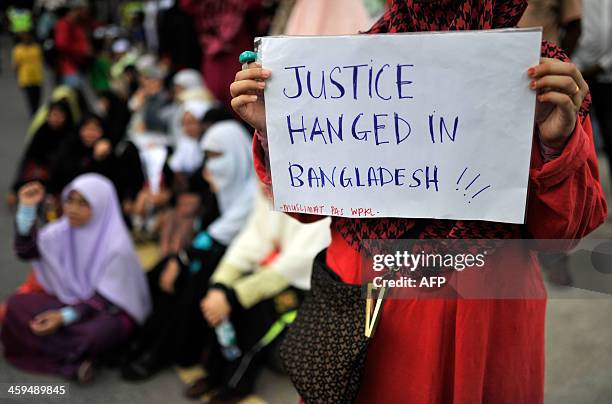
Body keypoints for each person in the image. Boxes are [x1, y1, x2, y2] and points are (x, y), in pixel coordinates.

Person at [229, 1, 608, 402]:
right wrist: (279, 132)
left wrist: (555, 144)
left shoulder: (536, 74)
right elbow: (306, 208)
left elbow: (565, 231)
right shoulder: (343, 68)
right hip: (361, 309)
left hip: (483, 315)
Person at [121, 119, 256, 381]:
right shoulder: (221, 186)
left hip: (240, 266)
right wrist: (180, 258)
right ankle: (142, 339)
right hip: (211, 253)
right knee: (162, 273)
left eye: (217, 155)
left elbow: (224, 236)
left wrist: (182, 259)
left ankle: (160, 351)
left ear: (238, 153)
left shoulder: (254, 193)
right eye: (207, 156)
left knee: (189, 283)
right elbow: (208, 233)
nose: (211, 164)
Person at [185, 186, 331, 401]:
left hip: (306, 286)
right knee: (220, 300)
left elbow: (295, 265)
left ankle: (237, 384)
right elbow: (251, 241)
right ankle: (215, 373)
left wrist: (232, 297)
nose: (263, 184)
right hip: (273, 273)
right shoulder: (268, 192)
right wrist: (220, 287)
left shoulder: (319, 200)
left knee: (257, 317)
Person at [1, 175, 151, 383]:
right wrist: (27, 208)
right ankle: (75, 362)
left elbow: (106, 299)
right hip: (70, 301)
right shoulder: (61, 231)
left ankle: (66, 357)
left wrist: (64, 317)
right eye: (69, 201)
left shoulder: (117, 247)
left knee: (93, 335)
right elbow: (26, 251)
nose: (72, 209)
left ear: (101, 206)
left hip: (107, 311)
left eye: (83, 203)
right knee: (16, 305)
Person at [48, 113, 144, 214]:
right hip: (74, 206)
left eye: (94, 130)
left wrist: (129, 197)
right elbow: (70, 177)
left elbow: (119, 179)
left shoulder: (111, 151)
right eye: (86, 129)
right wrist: (93, 159)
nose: (90, 134)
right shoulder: (70, 148)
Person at [574, 0, 612, 181]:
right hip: (575, 73)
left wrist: (602, 66)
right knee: (577, 146)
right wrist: (573, 66)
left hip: (606, 77)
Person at [9, 101, 73, 204]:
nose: (55, 119)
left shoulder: (71, 136)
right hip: (40, 180)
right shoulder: (41, 132)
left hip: (60, 183)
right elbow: (27, 159)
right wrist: (14, 189)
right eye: (52, 115)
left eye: (60, 115)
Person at [54, 0, 91, 88]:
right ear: (76, 10)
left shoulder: (79, 24)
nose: (86, 13)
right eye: (84, 10)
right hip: (69, 69)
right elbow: (61, 45)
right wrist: (82, 50)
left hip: (80, 67)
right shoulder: (64, 24)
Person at [12, 30, 44, 116]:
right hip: (26, 77)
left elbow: (41, 59)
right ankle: (34, 114)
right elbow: (16, 65)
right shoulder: (18, 49)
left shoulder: (36, 48)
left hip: (37, 76)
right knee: (30, 98)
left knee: (38, 97)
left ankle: (36, 111)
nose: (26, 39)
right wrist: (17, 77)